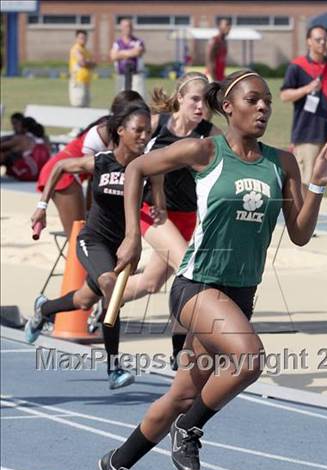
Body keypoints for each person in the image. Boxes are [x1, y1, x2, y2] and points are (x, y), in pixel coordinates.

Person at [98, 69, 327, 470]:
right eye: (253, 100)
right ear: (228, 108)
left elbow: (299, 233)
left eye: (268, 102)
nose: (262, 108)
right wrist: (132, 236)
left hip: (239, 295)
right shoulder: (206, 151)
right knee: (250, 358)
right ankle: (190, 429)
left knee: (181, 394)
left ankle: (118, 463)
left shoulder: (282, 162)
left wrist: (316, 182)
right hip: (197, 285)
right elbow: (137, 166)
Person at [25, 101, 161, 390]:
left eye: (148, 131)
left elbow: (158, 195)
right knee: (110, 287)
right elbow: (60, 166)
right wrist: (41, 206)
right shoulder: (101, 161)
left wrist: (159, 208)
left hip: (122, 247)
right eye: (138, 130)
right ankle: (114, 368)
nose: (143, 136)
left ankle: (44, 309)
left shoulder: (149, 168)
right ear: (121, 131)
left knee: (85, 300)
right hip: (93, 239)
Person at [117, 72, 221, 369]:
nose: (201, 106)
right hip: (153, 213)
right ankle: (182, 352)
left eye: (206, 101)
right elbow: (130, 160)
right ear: (180, 98)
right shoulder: (155, 125)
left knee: (151, 283)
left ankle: (106, 296)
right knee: (188, 271)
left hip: (189, 217)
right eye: (195, 99)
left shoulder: (209, 133)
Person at [280, 25, 327, 238]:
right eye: (318, 39)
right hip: (306, 130)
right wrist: (306, 90)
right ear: (309, 42)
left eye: (325, 39)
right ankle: (305, 221)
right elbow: (284, 95)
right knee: (305, 178)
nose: (323, 43)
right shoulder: (297, 66)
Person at [36, 90, 143, 237]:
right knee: (77, 235)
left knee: (83, 233)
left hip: (69, 172)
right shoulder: (106, 132)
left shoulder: (118, 133)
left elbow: (96, 180)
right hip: (64, 172)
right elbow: (98, 179)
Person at [0, 116, 50, 181]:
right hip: (43, 175)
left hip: (29, 174)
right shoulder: (45, 139)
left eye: (17, 125)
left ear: (24, 128)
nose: (14, 127)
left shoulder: (21, 138)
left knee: (4, 154)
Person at [111, 18, 146, 99]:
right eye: (125, 26)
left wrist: (120, 53)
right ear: (121, 28)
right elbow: (113, 56)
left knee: (137, 99)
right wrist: (131, 52)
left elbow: (138, 52)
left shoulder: (138, 41)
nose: (128, 28)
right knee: (121, 100)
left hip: (135, 76)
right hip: (121, 76)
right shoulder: (117, 43)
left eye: (130, 26)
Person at [69, 30, 96, 108]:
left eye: (84, 38)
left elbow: (94, 64)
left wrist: (88, 62)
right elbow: (82, 62)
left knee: (86, 105)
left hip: (86, 82)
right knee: (78, 105)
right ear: (76, 39)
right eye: (80, 38)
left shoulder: (86, 50)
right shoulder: (76, 49)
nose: (83, 39)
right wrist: (88, 62)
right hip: (78, 82)